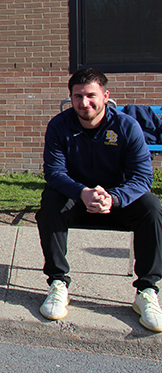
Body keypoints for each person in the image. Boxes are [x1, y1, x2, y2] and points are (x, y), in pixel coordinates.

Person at [37, 68, 162, 332]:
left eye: (91, 96)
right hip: (77, 199)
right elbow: (54, 172)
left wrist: (115, 198)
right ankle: (58, 282)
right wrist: (81, 192)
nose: (85, 103)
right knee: (50, 201)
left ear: (106, 96)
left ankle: (147, 291)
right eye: (78, 96)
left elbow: (142, 177)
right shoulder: (59, 126)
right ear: (70, 98)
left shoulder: (127, 126)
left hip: (116, 202)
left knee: (151, 206)